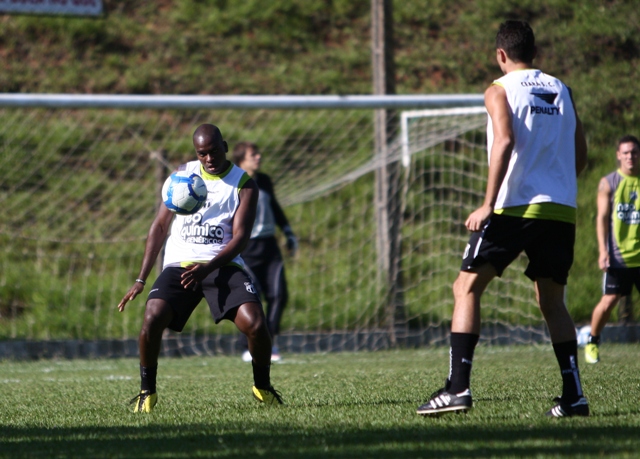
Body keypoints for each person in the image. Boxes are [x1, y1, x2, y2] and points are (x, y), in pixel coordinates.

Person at [416, 20, 589, 418]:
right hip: (560, 209)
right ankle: (574, 396)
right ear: (535, 52)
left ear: (500, 54)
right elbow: (580, 153)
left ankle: (458, 389)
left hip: (513, 207)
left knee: (466, 287)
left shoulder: (499, 89)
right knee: (552, 302)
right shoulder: (563, 89)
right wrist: (557, 184)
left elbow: (506, 139)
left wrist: (486, 204)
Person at [117, 124, 283, 413]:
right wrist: (140, 278)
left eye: (214, 151)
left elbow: (241, 238)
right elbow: (159, 226)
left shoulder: (244, 184)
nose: (208, 158)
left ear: (226, 146)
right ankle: (147, 392)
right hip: (181, 264)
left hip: (222, 264)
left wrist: (207, 267)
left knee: (256, 324)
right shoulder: (183, 175)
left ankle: (263, 386)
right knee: (152, 316)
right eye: (202, 153)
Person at [231, 142, 298, 363]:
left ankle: (270, 342)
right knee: (252, 299)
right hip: (246, 247)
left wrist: (288, 232)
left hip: (270, 246)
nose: (258, 157)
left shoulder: (265, 181)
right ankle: (248, 345)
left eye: (259, 153)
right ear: (242, 159)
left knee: (279, 295)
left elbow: (275, 207)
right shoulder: (232, 182)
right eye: (253, 154)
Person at [585, 135, 640, 364]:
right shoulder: (609, 183)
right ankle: (592, 341)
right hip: (618, 256)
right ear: (618, 155)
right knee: (609, 301)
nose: (630, 157)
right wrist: (603, 251)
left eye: (634, 152)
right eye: (626, 153)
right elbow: (602, 218)